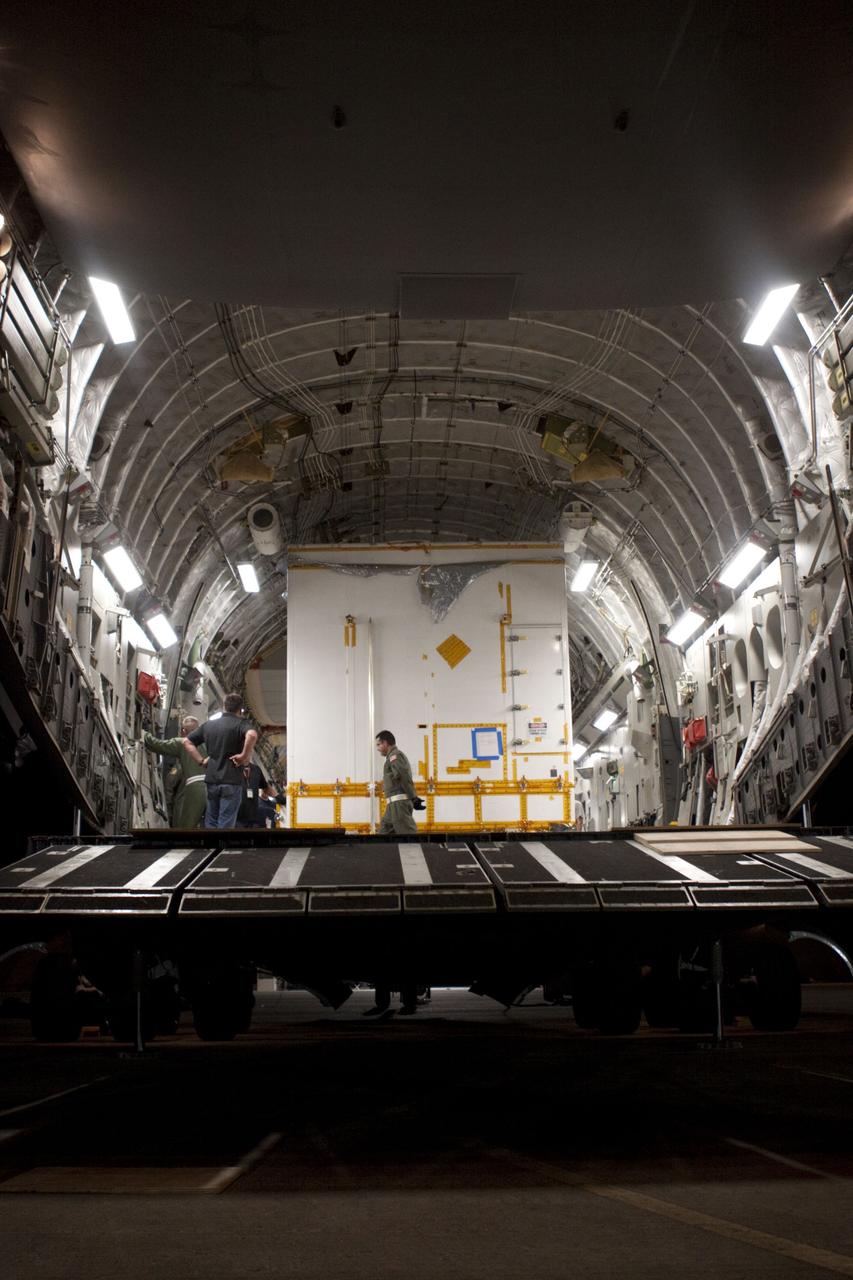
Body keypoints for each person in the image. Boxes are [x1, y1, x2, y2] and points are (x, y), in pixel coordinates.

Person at [184, 693, 257, 829]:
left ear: (224, 706)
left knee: (211, 819)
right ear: (240, 709)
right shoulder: (241, 724)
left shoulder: (209, 725)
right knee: (226, 821)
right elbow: (252, 735)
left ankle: (211, 848)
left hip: (211, 779)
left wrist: (201, 761)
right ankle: (221, 848)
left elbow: (187, 742)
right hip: (231, 780)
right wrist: (243, 755)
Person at [144, 715, 208, 828]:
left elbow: (158, 745)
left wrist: (145, 734)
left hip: (195, 788)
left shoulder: (183, 742)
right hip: (211, 788)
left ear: (183, 731)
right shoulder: (208, 744)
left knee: (185, 828)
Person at [375, 730, 421, 836]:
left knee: (408, 837)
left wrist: (413, 797)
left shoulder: (395, 756)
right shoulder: (391, 758)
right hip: (392, 805)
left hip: (399, 805)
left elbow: (402, 777)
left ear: (385, 743)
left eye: (379, 744)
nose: (378, 749)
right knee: (383, 835)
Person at [236, 760, 268, 828]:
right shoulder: (232, 768)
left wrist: (277, 796)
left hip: (253, 817)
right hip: (236, 818)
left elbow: (265, 786)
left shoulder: (256, 770)